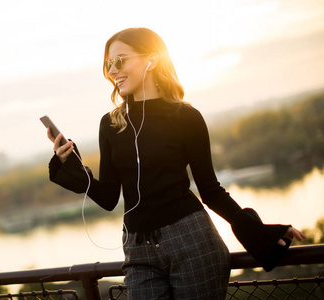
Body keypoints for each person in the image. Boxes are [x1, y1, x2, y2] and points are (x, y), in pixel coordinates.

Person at [46, 27, 305, 299]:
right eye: (108, 64)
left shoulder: (186, 117)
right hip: (137, 249)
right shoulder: (111, 124)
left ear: (152, 60)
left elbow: (211, 190)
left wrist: (258, 232)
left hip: (192, 241)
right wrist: (70, 165)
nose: (112, 70)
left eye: (120, 60)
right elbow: (110, 197)